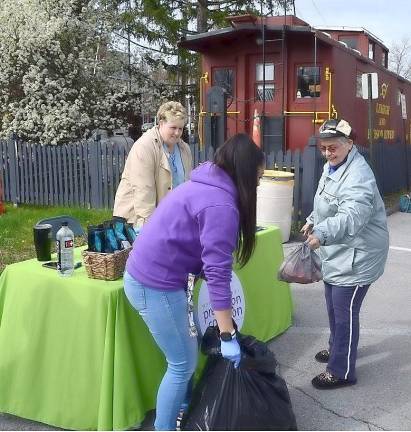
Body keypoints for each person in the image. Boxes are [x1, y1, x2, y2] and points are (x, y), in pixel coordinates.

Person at [123, 133, 265, 430]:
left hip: (151, 277)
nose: (259, 185)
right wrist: (227, 335)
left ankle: (183, 410)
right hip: (155, 284)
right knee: (182, 363)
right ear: (244, 171)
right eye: (258, 178)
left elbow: (199, 250)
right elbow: (217, 273)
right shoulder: (221, 205)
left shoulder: (205, 183)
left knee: (182, 356)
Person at [301, 118, 389, 390]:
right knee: (333, 305)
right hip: (340, 252)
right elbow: (327, 201)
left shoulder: (358, 176)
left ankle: (342, 370)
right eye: (323, 148)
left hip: (358, 255)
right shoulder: (335, 166)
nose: (327, 153)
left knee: (344, 313)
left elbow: (351, 215)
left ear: (350, 145)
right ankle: (340, 347)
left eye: (333, 148)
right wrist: (313, 219)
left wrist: (323, 233)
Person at [113, 101, 192, 228]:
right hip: (138, 220)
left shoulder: (185, 149)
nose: (177, 133)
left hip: (172, 219)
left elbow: (186, 186)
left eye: (180, 128)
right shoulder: (144, 147)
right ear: (161, 124)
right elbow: (143, 193)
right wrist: (152, 230)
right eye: (173, 128)